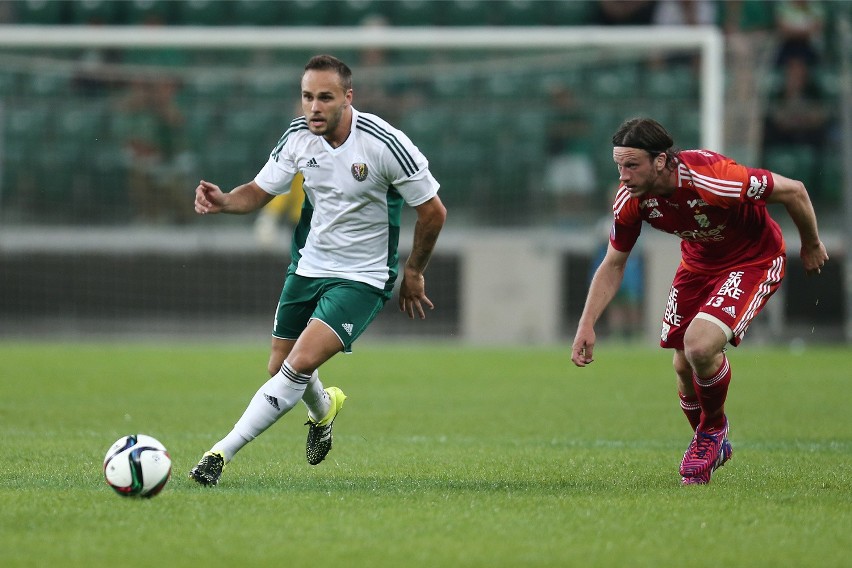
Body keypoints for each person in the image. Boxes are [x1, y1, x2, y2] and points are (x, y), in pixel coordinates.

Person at [189, 54, 447, 486]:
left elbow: (433, 212)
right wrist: (225, 201)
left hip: (363, 277)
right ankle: (323, 410)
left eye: (324, 98)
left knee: (299, 362)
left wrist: (414, 271)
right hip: (309, 264)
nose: (314, 107)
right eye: (307, 97)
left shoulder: (385, 144)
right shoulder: (297, 137)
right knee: (279, 366)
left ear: (348, 98)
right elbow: (257, 191)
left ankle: (219, 454)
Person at [571, 117, 827, 485]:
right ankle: (713, 442)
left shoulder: (715, 178)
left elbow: (795, 191)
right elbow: (614, 263)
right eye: (619, 166)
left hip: (752, 260)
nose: (623, 176)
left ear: (660, 161)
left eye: (631, 165)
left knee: (699, 347)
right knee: (682, 366)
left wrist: (812, 243)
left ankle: (711, 433)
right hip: (698, 265)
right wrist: (587, 323)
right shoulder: (631, 199)